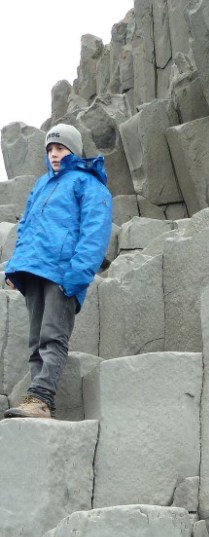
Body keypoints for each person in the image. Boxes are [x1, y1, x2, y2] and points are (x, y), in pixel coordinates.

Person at [3, 123, 112, 419]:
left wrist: (77, 277)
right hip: (33, 270)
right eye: (50, 148)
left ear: (74, 150)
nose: (53, 154)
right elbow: (26, 226)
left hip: (63, 274)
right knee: (36, 340)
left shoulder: (89, 184)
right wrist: (15, 267)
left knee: (53, 336)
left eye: (60, 148)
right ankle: (34, 402)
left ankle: (41, 399)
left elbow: (95, 234)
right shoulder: (42, 185)